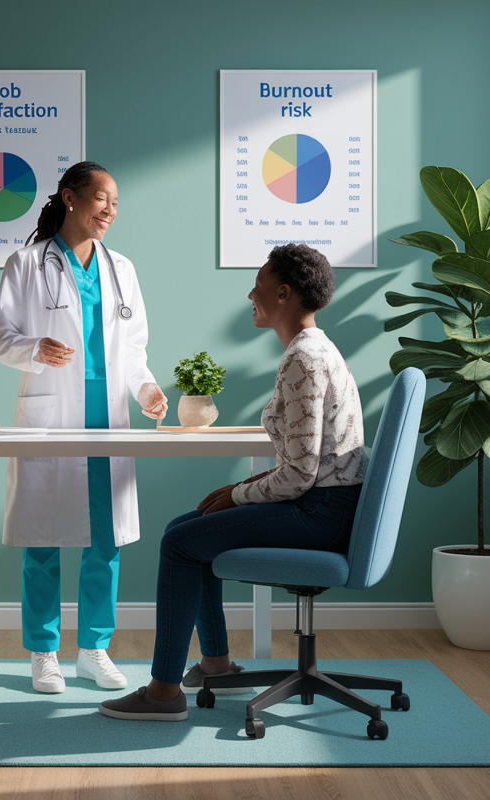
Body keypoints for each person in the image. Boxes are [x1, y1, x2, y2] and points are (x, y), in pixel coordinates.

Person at [98, 243, 364, 721]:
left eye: (258, 285)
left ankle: (163, 694)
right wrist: (237, 493)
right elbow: (308, 462)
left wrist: (238, 494)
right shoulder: (313, 350)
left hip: (319, 514)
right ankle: (216, 664)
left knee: (180, 542)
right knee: (189, 526)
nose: (250, 294)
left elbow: (302, 474)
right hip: (323, 505)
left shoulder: (305, 359)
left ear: (283, 293)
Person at [0, 161, 168, 694]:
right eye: (101, 199)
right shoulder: (24, 263)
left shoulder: (122, 268)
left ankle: (93, 649)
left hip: (106, 414)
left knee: (105, 539)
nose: (109, 210)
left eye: (115, 203)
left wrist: (148, 389)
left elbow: (133, 352)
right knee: (40, 539)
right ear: (70, 197)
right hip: (51, 411)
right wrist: (33, 349)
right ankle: (44, 654)